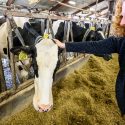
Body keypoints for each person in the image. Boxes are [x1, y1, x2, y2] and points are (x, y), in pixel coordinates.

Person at [53, 0, 125, 117]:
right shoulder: (121, 40)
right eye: (121, 16)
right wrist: (65, 45)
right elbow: (95, 45)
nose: (121, 22)